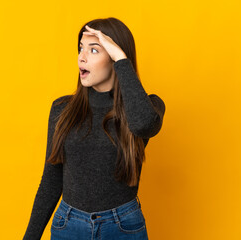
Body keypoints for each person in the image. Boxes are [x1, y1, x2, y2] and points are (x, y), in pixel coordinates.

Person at [23, 17, 166, 240]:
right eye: (81, 48)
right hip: (68, 226)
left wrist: (120, 58)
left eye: (94, 50)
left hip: (123, 227)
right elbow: (51, 179)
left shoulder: (148, 107)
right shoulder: (62, 109)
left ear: (116, 58)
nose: (82, 57)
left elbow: (143, 125)